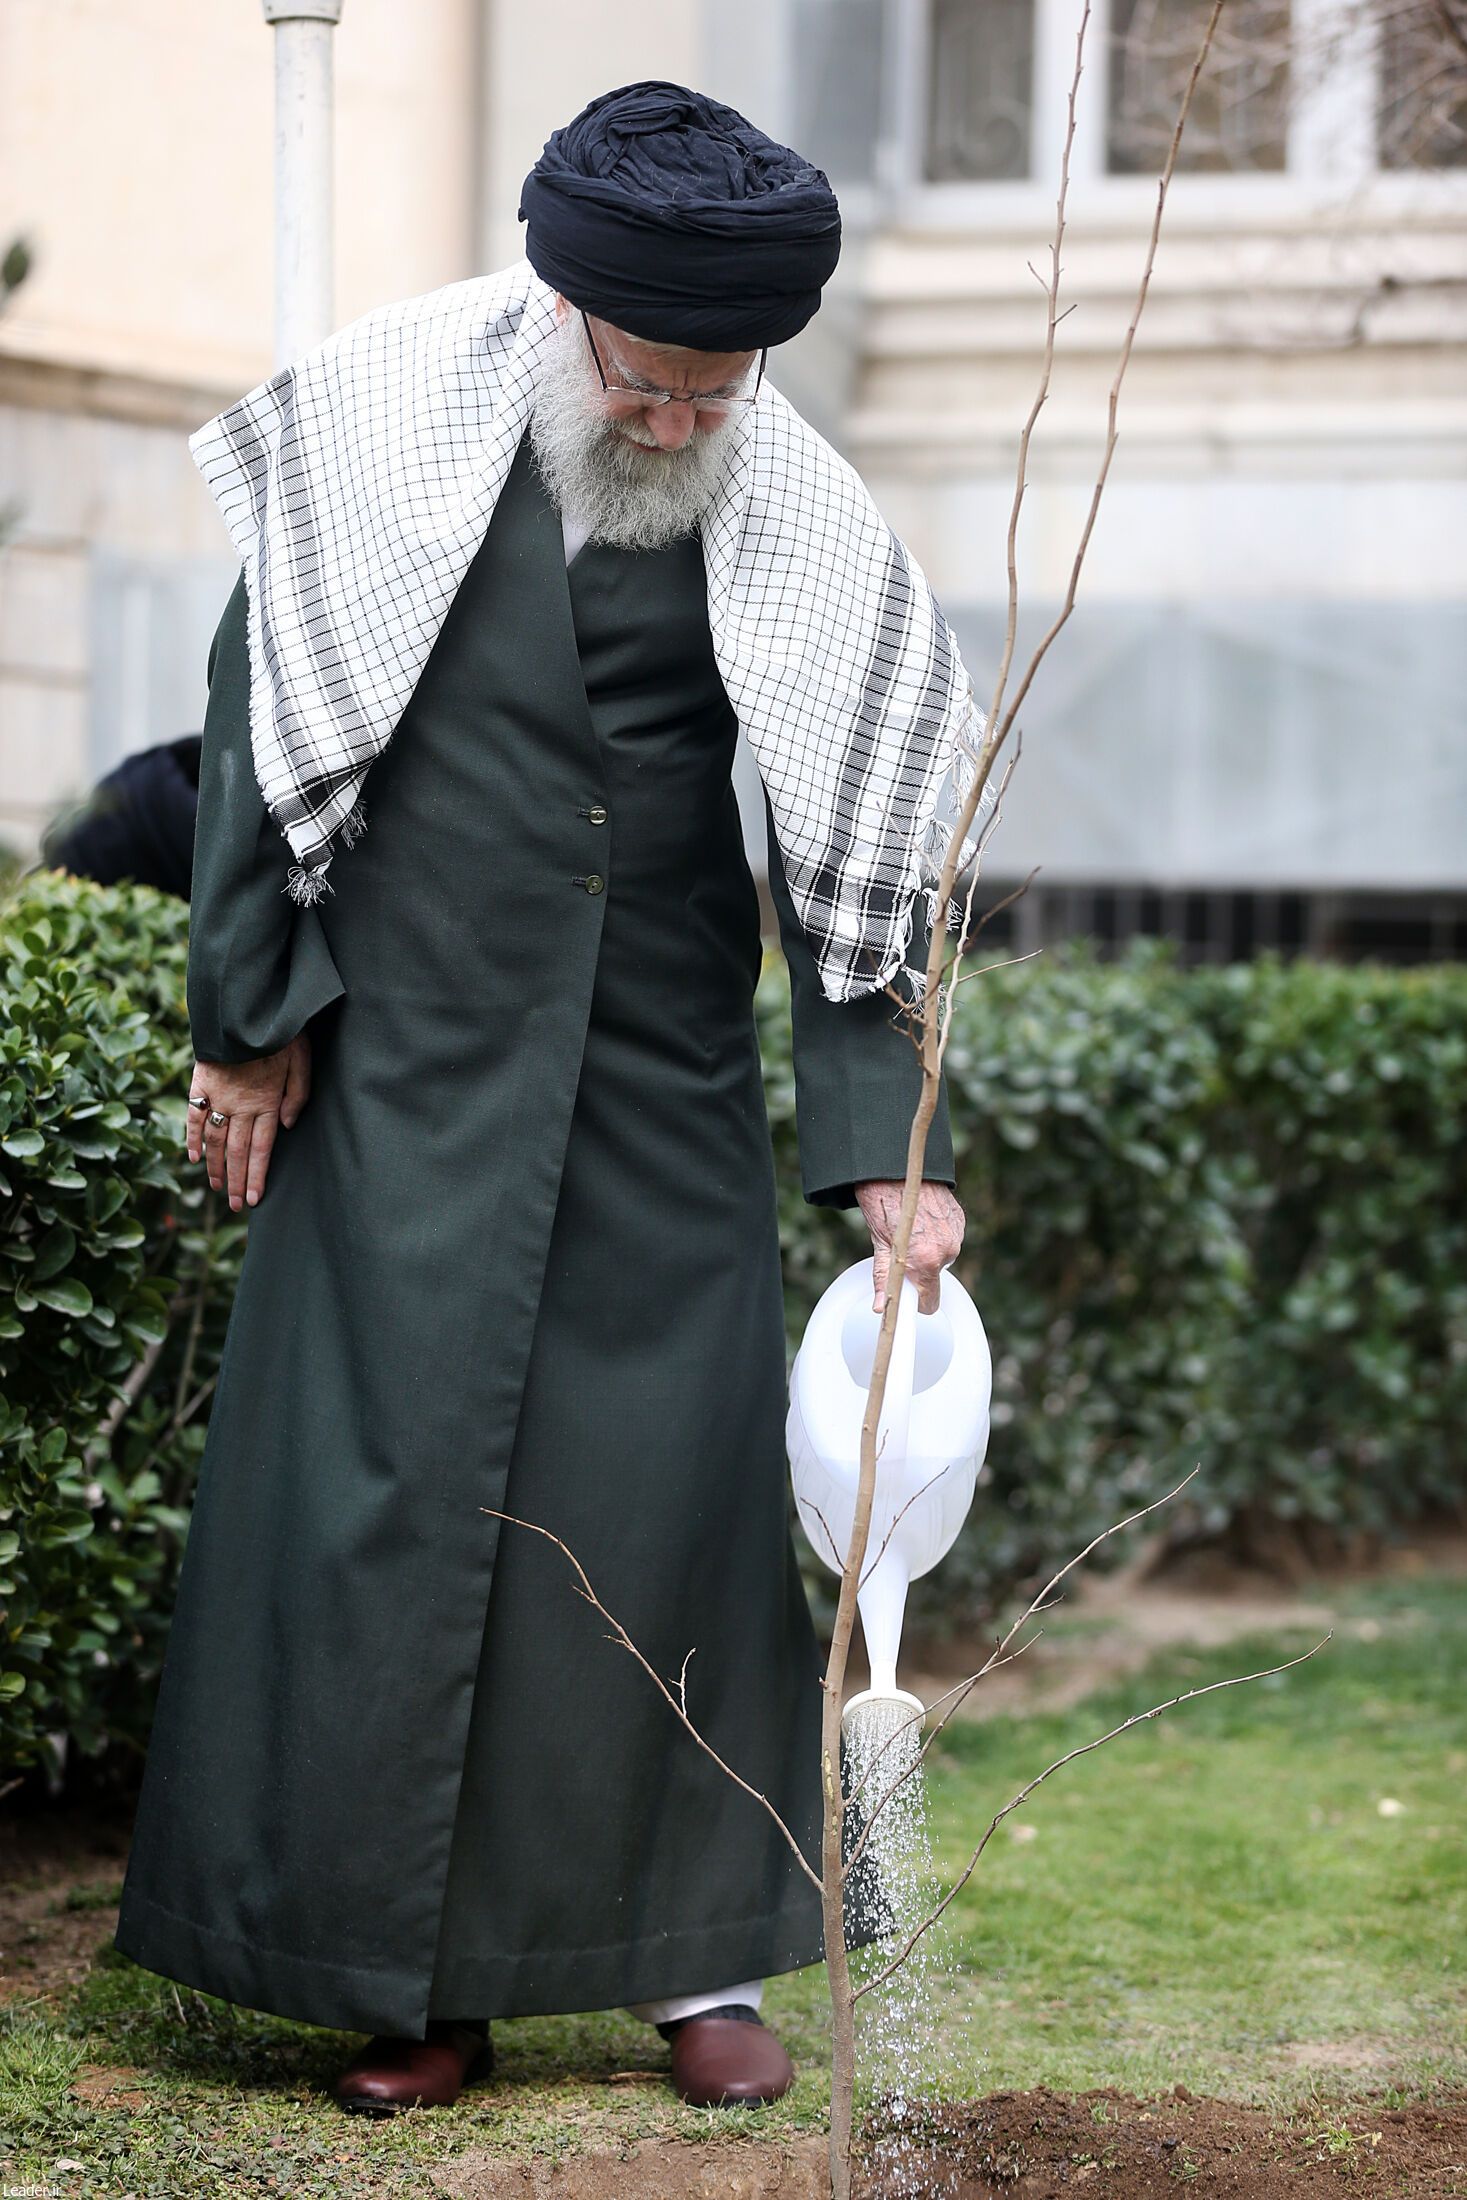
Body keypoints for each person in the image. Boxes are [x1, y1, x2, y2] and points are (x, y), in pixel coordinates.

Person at [113, 80, 991, 2117]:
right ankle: (400, 1984)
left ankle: (693, 1964)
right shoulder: (383, 428)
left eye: (718, 390)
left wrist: (880, 1147)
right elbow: (258, 736)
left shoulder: (783, 497)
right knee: (394, 1520)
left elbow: (852, 841)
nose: (683, 424)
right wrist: (248, 1017)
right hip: (401, 1071)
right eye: (651, 384)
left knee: (669, 1510)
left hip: (657, 1083)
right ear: (565, 314)